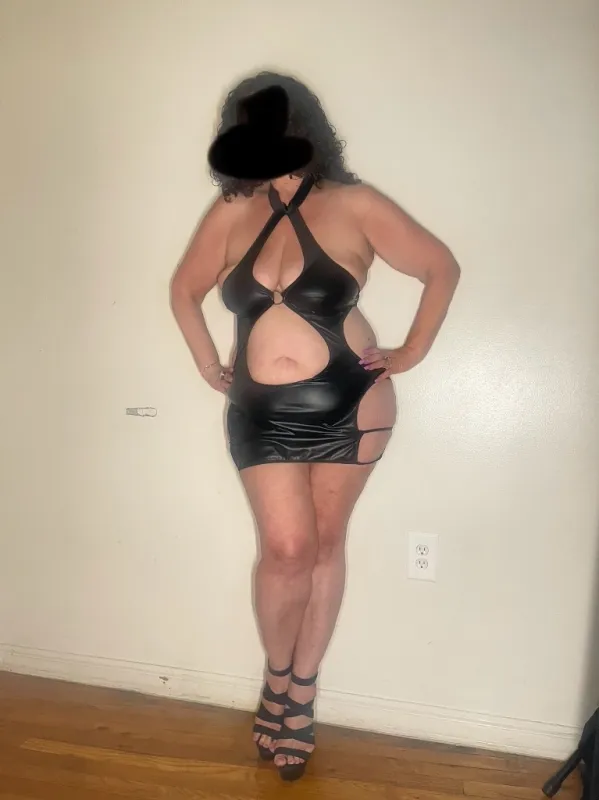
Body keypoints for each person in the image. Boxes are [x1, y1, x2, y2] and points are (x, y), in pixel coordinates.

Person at [171, 72, 460, 782]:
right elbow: (183, 289)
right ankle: (277, 675)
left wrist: (410, 352)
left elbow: (440, 267)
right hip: (259, 411)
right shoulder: (231, 212)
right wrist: (208, 362)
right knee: (286, 550)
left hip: (351, 401)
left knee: (326, 545)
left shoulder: (354, 204)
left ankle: (300, 694)